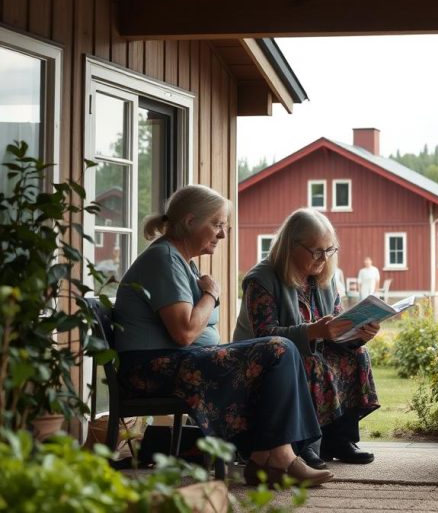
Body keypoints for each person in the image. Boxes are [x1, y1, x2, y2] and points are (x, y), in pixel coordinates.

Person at [112, 185, 331, 488]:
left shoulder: (180, 261)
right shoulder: (163, 259)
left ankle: (263, 457)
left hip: (175, 363)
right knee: (279, 349)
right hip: (151, 368)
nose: (222, 234)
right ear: (189, 221)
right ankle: (279, 458)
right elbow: (185, 331)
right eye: (217, 224)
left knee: (280, 351)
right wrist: (210, 295)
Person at [234, 208, 380, 470]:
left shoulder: (322, 278)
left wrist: (358, 333)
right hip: (260, 361)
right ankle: (304, 446)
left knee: (356, 355)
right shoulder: (261, 279)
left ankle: (339, 440)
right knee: (311, 361)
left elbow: (333, 325)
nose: (324, 258)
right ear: (291, 246)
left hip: (309, 349)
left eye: (329, 250)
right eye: (316, 250)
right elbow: (265, 336)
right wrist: (314, 332)